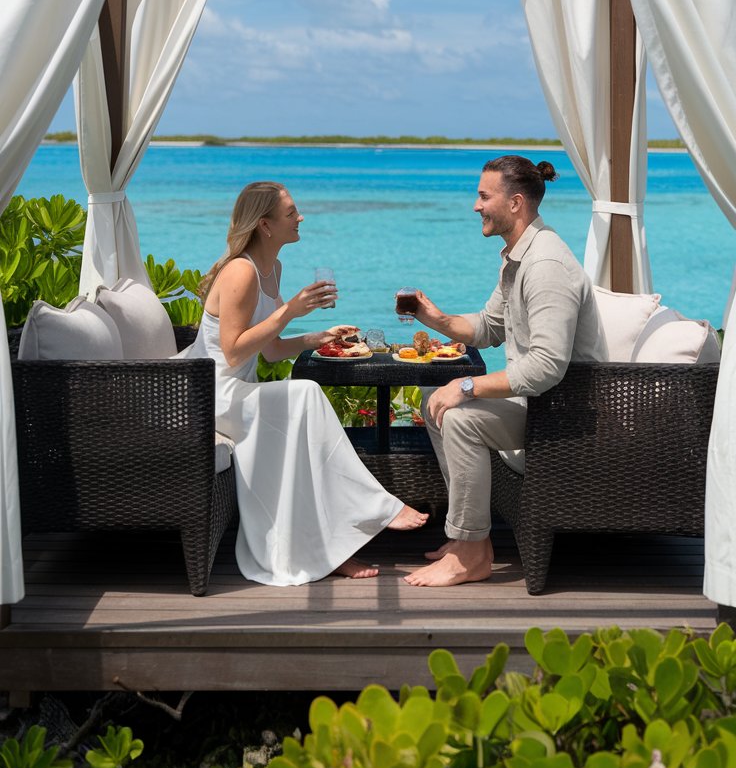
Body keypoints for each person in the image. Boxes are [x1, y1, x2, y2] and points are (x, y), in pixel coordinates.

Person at [184, 180, 428, 586]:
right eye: (291, 212)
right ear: (265, 225)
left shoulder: (271, 268)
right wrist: (292, 310)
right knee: (306, 395)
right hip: (212, 394)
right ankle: (376, 507)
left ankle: (329, 550)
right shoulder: (241, 272)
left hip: (237, 391)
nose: (301, 217)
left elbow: (273, 351)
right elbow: (232, 352)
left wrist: (318, 338)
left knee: (304, 413)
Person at [403, 155, 607, 589]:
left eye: (483, 196)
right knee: (434, 402)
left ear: (515, 203)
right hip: (539, 403)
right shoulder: (518, 255)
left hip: (562, 412)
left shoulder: (545, 266)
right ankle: (469, 539)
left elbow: (548, 365)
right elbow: (488, 327)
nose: (475, 206)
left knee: (459, 415)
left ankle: (472, 551)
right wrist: (435, 319)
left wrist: (470, 384)